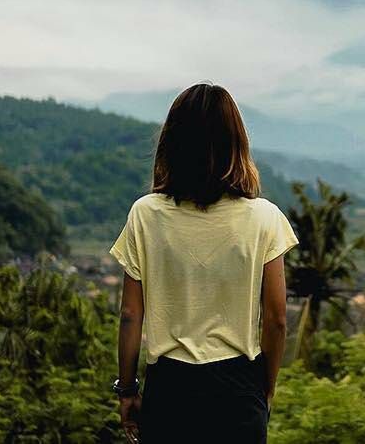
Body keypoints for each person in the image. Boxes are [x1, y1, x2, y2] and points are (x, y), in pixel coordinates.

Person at [109, 82, 300, 443]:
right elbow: (276, 319)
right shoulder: (264, 218)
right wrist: (265, 390)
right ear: (237, 143)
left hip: (170, 390)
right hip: (239, 390)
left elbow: (131, 315)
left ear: (173, 142)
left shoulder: (146, 214)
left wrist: (128, 389)